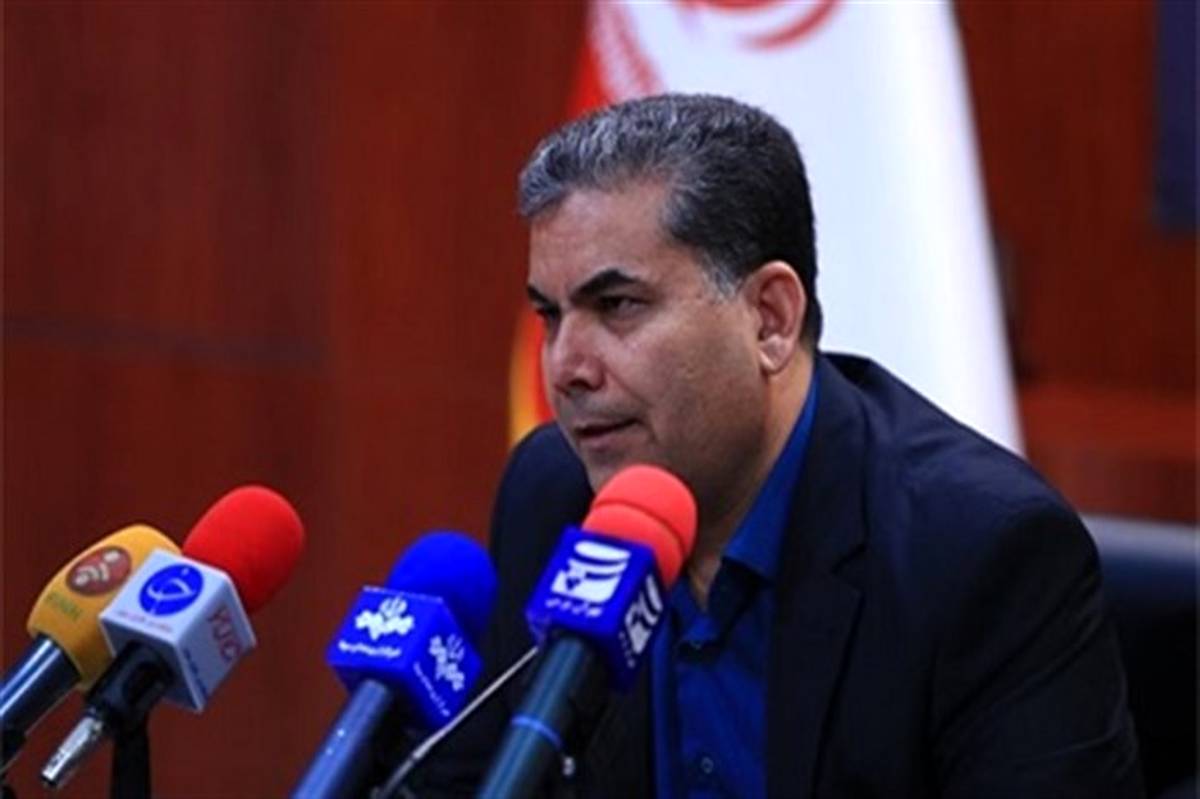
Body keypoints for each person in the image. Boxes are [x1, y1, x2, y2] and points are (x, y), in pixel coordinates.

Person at [420, 93, 1142, 798]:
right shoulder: (553, 492)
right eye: (550, 315)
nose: (565, 368)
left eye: (617, 306)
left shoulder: (980, 551)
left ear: (769, 319)